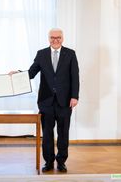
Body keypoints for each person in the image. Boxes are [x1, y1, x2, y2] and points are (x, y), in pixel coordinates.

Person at [10, 28, 79, 172]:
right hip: (46, 101)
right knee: (47, 134)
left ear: (62, 38)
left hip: (65, 101)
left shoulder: (70, 54)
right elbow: (31, 72)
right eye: (52, 37)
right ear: (48, 38)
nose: (55, 40)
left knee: (63, 133)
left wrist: (74, 96)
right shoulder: (41, 54)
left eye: (58, 37)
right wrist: (18, 74)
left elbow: (75, 77)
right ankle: (48, 162)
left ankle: (61, 161)